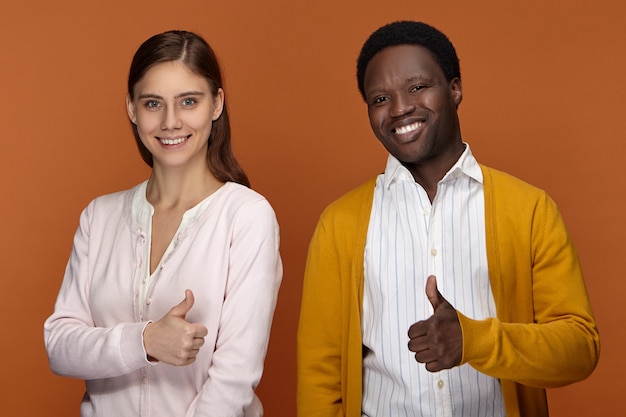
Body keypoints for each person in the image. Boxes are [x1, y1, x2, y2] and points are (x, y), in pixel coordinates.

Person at [297, 21, 599, 417]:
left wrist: (474, 342)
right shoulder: (339, 224)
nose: (400, 107)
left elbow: (579, 349)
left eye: (418, 87)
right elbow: (320, 375)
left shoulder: (529, 210)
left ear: (455, 89)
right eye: (380, 98)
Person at [44, 30, 282, 417]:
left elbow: (233, 379)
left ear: (216, 104)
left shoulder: (246, 216)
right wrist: (146, 340)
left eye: (189, 101)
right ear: (132, 108)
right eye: (153, 103)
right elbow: (59, 346)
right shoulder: (98, 217)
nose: (171, 122)